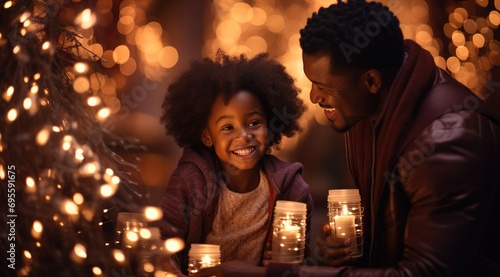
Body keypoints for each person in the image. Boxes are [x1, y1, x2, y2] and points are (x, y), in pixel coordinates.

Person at [194, 1, 500, 276]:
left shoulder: (449, 141)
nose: (314, 97)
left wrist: (271, 275)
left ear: (370, 81)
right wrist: (349, 253)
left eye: (323, 86)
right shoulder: (372, 112)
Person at [158, 51, 314, 276]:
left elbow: (300, 266)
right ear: (207, 136)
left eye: (253, 123)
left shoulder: (292, 189)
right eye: (227, 127)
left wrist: (284, 265)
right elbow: (164, 243)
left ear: (270, 126)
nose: (244, 135)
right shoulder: (189, 181)